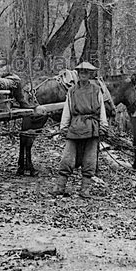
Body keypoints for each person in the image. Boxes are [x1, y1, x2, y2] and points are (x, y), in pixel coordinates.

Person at [49, 61, 110, 199]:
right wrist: (64, 127)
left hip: (91, 126)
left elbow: (102, 110)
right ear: (78, 74)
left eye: (86, 72)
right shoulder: (72, 91)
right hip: (75, 126)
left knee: (89, 159)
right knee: (67, 158)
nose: (83, 74)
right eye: (81, 72)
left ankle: (85, 189)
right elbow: (67, 109)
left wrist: (103, 126)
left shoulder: (96, 90)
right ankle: (60, 187)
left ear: (90, 74)